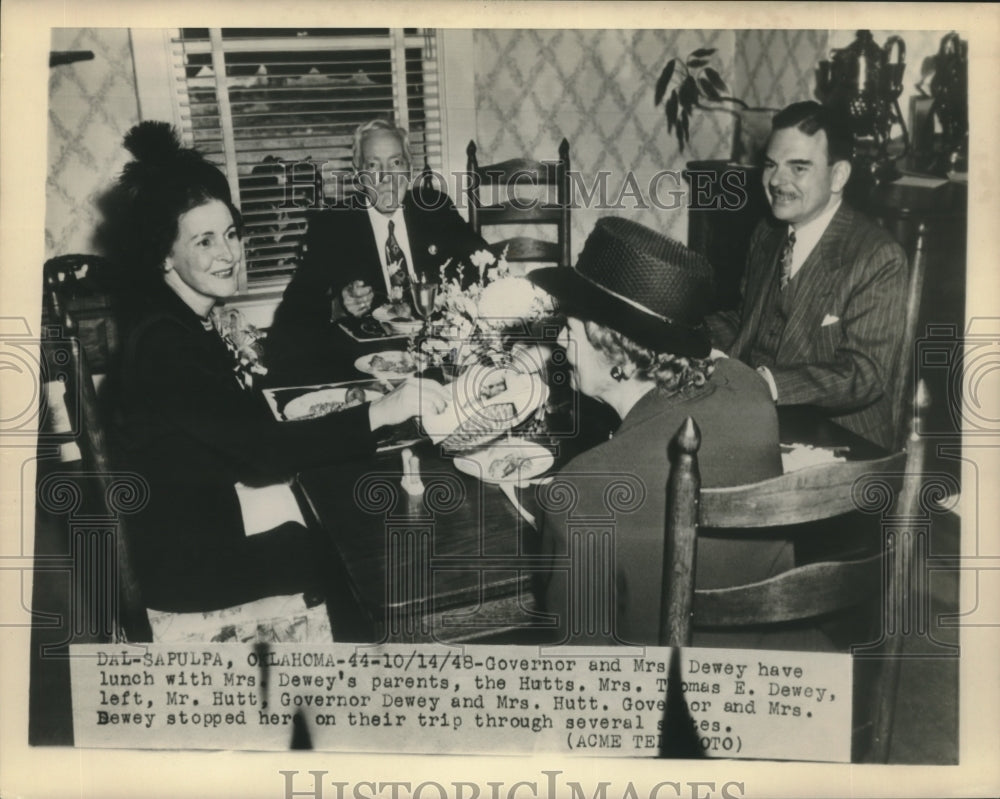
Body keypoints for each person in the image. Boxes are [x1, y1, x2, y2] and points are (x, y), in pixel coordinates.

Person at [102, 122, 449, 625]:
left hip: (196, 526)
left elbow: (238, 434)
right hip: (185, 567)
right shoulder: (166, 346)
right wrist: (383, 409)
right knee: (358, 559)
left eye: (230, 234)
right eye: (203, 242)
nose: (228, 254)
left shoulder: (173, 321)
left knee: (333, 525)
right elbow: (264, 454)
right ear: (164, 254)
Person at [527, 217, 793, 648]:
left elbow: (578, 672)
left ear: (616, 351)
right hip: (774, 662)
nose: (558, 342)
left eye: (570, 329)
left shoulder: (581, 489)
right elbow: (719, 363)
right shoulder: (751, 390)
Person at [710, 101, 908, 451]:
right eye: (771, 165)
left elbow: (865, 374)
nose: (776, 181)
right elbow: (747, 322)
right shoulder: (768, 234)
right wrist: (683, 332)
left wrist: (770, 385)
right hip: (758, 424)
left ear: (838, 176)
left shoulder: (877, 257)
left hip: (842, 442)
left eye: (798, 168)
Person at [267, 119, 488, 381]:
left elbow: (485, 266)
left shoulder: (436, 208)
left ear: (409, 168)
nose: (386, 178)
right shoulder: (333, 225)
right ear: (358, 174)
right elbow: (294, 311)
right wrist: (338, 306)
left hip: (439, 363)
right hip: (371, 370)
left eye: (395, 163)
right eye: (373, 166)